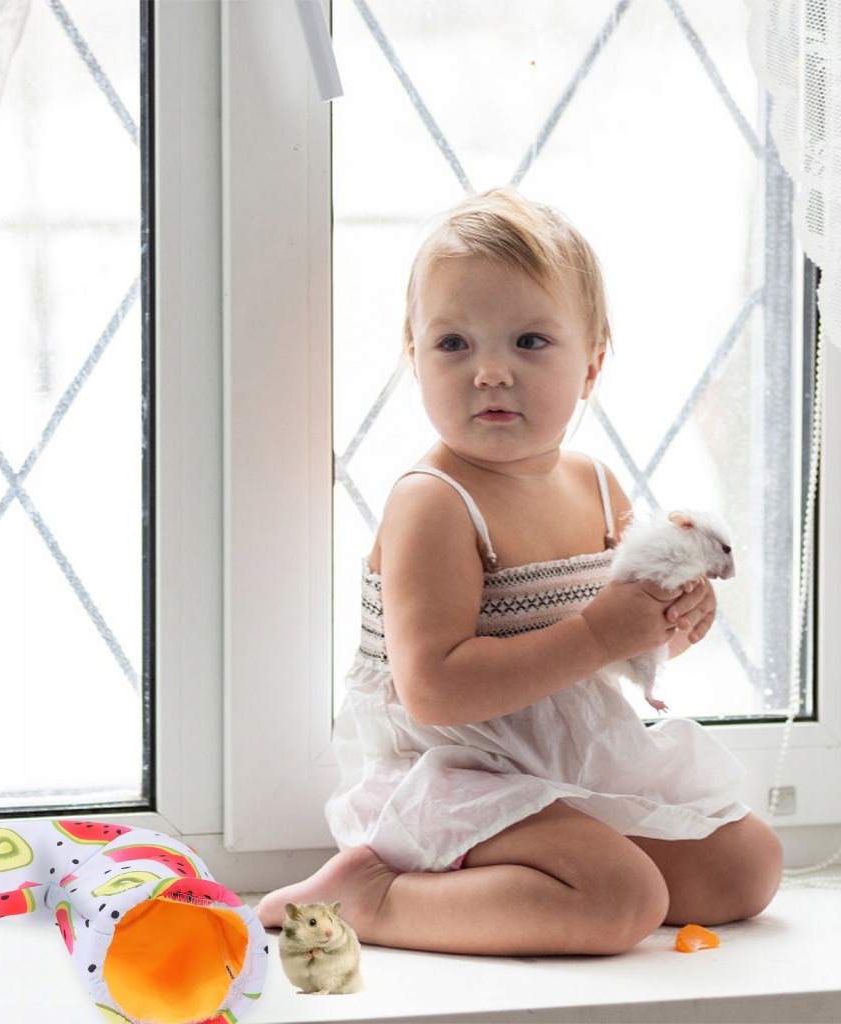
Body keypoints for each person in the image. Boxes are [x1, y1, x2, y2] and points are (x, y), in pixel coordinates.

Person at [255, 188, 782, 956]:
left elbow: (612, 641)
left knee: (746, 865)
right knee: (620, 898)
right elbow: (433, 691)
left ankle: (537, 869)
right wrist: (599, 634)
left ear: (591, 366)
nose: (492, 372)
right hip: (451, 772)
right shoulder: (435, 503)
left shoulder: (596, 484)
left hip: (563, 757)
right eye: (454, 344)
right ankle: (377, 897)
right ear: (414, 358)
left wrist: (667, 627)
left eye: (530, 342)